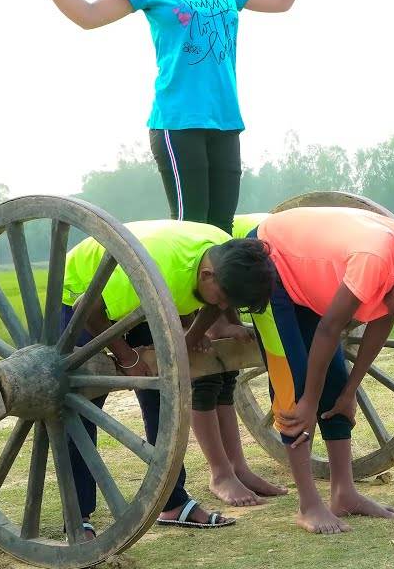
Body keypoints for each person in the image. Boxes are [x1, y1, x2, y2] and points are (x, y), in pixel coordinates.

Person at [20, 0, 321, 502]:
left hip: (226, 122)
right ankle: (213, 461)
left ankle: (232, 448)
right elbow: (89, 15)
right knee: (197, 243)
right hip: (178, 124)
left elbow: (284, 1)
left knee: (222, 245)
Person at [62, 220, 275, 537]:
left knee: (165, 393)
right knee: (82, 400)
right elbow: (90, 308)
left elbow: (215, 303)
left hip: (146, 295)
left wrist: (193, 336)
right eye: (222, 298)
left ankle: (172, 502)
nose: (223, 306)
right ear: (206, 275)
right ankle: (78, 516)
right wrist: (128, 357)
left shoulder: (223, 251)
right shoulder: (157, 271)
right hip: (85, 291)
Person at [237, 207, 394, 534]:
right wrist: (309, 402)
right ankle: (308, 505)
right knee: (295, 389)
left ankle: (343, 493)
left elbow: (383, 319)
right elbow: (330, 329)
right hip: (270, 263)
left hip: (309, 280)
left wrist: (348, 394)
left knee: (336, 381)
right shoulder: (375, 257)